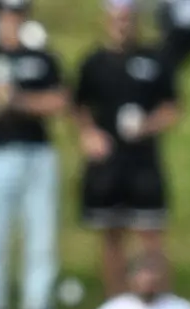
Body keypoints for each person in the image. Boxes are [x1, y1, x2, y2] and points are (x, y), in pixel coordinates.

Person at [0, 9, 63, 309]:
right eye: (9, 15)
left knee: (41, 233)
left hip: (37, 152)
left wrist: (18, 101)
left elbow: (58, 101)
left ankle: (38, 308)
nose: (14, 21)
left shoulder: (42, 57)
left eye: (19, 14)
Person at [70, 0, 177, 248]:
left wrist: (148, 126)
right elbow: (79, 104)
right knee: (111, 237)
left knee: (150, 234)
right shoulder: (94, 63)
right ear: (106, 20)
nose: (121, 25)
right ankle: (117, 289)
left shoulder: (153, 59)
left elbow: (172, 106)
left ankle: (153, 287)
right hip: (107, 163)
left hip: (143, 162)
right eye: (116, 19)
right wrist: (89, 133)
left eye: (126, 19)